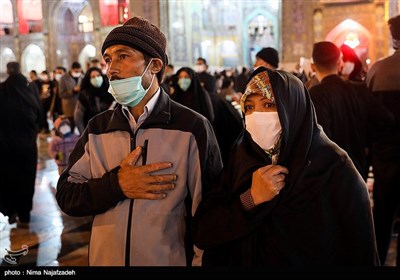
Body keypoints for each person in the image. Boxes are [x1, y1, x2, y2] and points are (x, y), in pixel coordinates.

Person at [55, 16, 222, 266]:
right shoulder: (98, 128)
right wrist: (117, 185)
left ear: (154, 65)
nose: (111, 69)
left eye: (123, 56)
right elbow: (67, 195)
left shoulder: (191, 127)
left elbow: (210, 212)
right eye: (108, 59)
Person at [192, 66, 380, 266]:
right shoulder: (242, 158)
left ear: (292, 106)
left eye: (268, 104)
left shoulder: (333, 168)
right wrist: (251, 199)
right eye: (249, 107)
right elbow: (204, 231)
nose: (257, 115)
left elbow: (362, 252)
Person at [309, 41, 394, 181]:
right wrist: (367, 144)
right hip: (359, 167)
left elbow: (320, 139)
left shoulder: (314, 95)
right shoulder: (359, 89)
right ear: (340, 63)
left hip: (332, 174)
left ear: (313, 66)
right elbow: (386, 119)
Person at [366, 14, 400, 266]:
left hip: (386, 158)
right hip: (386, 155)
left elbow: (369, 117)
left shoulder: (378, 69)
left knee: (383, 217)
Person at [0, 62, 41, 226]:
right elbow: (39, 113)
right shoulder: (29, 88)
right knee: (26, 178)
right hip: (27, 145)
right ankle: (24, 213)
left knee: (7, 177)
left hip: (4, 145)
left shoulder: (2, 89)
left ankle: (10, 211)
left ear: (8, 71)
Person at [74, 67, 115, 134]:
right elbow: (78, 117)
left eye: (98, 76)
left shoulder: (110, 92)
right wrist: (83, 135)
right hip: (91, 131)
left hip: (109, 130)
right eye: (93, 77)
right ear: (88, 79)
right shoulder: (84, 95)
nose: (96, 78)